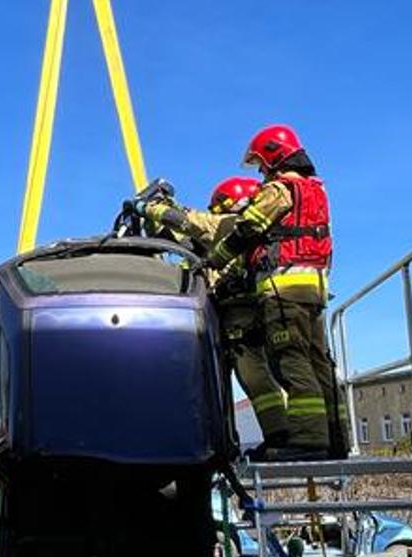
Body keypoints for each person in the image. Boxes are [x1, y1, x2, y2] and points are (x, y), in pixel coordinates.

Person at [141, 124, 342, 460]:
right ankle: (334, 437)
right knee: (316, 364)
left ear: (274, 156)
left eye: (262, 163)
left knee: (291, 364)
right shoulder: (313, 192)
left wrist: (156, 210)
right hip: (313, 290)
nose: (261, 171)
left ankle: (308, 441)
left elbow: (232, 229)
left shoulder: (277, 192)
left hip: (282, 292)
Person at [143, 176, 293, 452]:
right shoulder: (253, 228)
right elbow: (184, 237)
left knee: (253, 377)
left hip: (238, 315)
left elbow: (191, 223)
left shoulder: (228, 224)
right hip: (253, 310)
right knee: (255, 378)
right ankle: (273, 434)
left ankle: (278, 435)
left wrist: (151, 207)